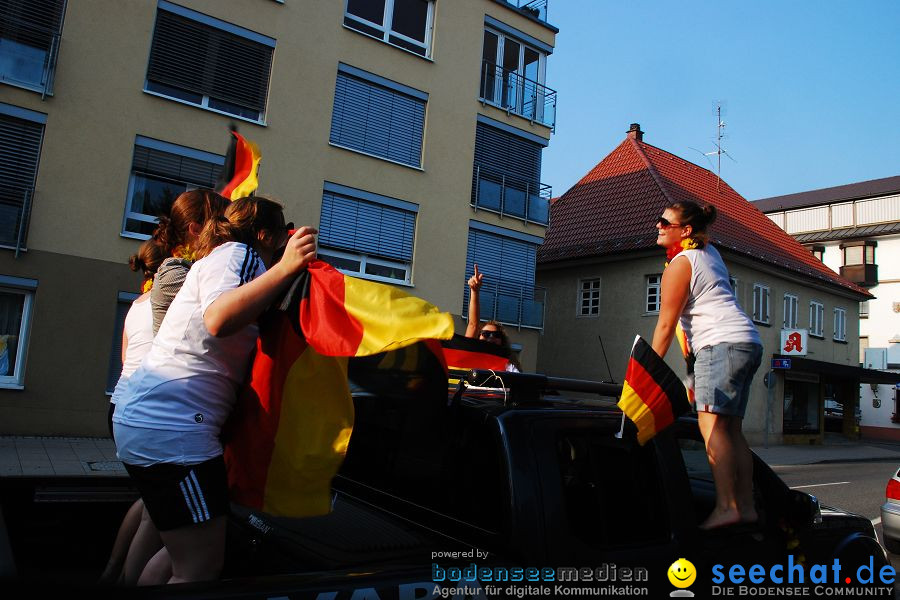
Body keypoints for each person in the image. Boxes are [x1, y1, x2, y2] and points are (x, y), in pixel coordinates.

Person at [113, 197, 316, 584]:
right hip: (174, 433)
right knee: (199, 569)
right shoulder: (238, 254)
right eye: (280, 236)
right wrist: (288, 266)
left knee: (181, 556)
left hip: (156, 423)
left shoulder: (222, 260)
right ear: (265, 235)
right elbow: (219, 319)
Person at [650, 200, 762, 530]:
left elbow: (666, 326)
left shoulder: (681, 263)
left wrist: (645, 371)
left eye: (664, 222)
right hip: (746, 342)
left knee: (711, 429)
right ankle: (746, 505)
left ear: (685, 231)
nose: (657, 226)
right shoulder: (709, 254)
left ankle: (727, 507)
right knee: (731, 431)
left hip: (721, 344)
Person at [99, 238, 167, 584]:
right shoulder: (168, 301)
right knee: (155, 513)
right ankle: (128, 583)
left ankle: (111, 570)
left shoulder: (137, 304)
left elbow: (127, 361)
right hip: (145, 411)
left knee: (146, 500)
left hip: (120, 407)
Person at [151, 189, 231, 333]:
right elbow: (224, 307)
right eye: (221, 224)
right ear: (195, 229)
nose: (228, 231)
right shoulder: (173, 272)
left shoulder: (195, 266)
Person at [464, 264, 522, 372]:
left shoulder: (509, 367)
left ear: (502, 341)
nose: (490, 337)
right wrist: (474, 291)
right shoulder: (471, 356)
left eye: (496, 335)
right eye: (485, 334)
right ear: (478, 337)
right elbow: (473, 324)